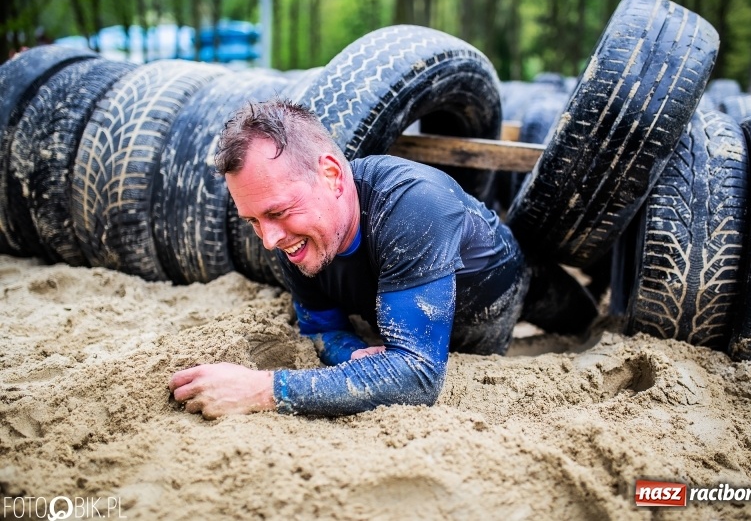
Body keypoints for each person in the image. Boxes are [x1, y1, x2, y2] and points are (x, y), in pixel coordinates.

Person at [169, 98, 596, 418]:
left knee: (587, 320)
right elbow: (320, 329)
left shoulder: (413, 202)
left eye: (278, 212)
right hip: (427, 317)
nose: (269, 238)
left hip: (511, 288)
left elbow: (419, 377)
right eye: (254, 220)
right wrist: (352, 353)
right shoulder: (294, 240)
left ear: (333, 176)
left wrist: (264, 389)